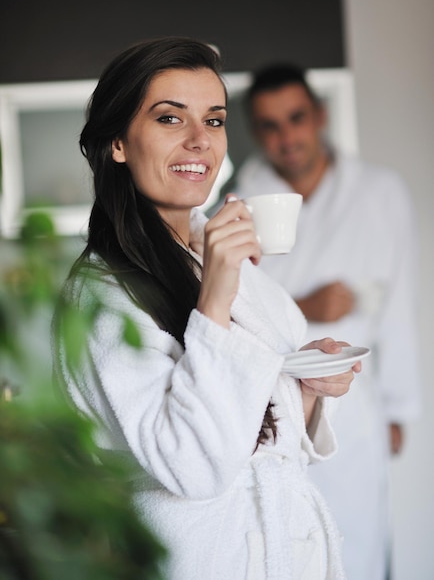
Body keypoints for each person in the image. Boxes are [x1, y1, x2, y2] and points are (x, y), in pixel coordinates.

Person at [51, 38, 363, 580]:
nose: (200, 141)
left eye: (214, 121)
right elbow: (192, 467)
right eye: (171, 119)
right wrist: (216, 293)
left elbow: (271, 431)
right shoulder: (102, 295)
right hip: (196, 558)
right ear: (118, 142)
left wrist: (307, 386)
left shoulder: (213, 252)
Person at [231, 63, 421, 580]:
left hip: (355, 407)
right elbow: (226, 305)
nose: (286, 137)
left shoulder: (381, 193)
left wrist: (399, 407)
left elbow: (400, 303)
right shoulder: (239, 199)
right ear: (255, 132)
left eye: (295, 118)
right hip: (270, 408)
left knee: (357, 544)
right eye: (269, 126)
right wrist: (305, 306)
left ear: (319, 115)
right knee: (282, 552)